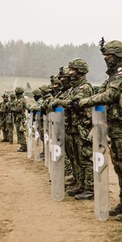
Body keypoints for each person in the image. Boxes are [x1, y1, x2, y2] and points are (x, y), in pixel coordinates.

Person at [75, 40, 122, 220]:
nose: (105, 59)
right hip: (115, 127)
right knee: (119, 166)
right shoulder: (111, 76)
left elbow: (110, 95)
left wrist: (82, 102)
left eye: (108, 56)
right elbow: (100, 93)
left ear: (118, 55)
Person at [51, 59, 95, 200]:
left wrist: (59, 102)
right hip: (73, 127)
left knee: (85, 158)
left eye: (72, 70)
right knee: (76, 158)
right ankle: (81, 184)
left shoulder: (85, 88)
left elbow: (73, 103)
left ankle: (90, 188)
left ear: (80, 71)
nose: (69, 73)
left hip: (83, 127)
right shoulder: (73, 88)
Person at [12, 87, 28, 152]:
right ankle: (22, 145)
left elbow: (19, 109)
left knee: (20, 132)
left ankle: (23, 146)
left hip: (20, 118)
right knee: (19, 132)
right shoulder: (20, 100)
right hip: (19, 117)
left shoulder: (21, 100)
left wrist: (12, 109)